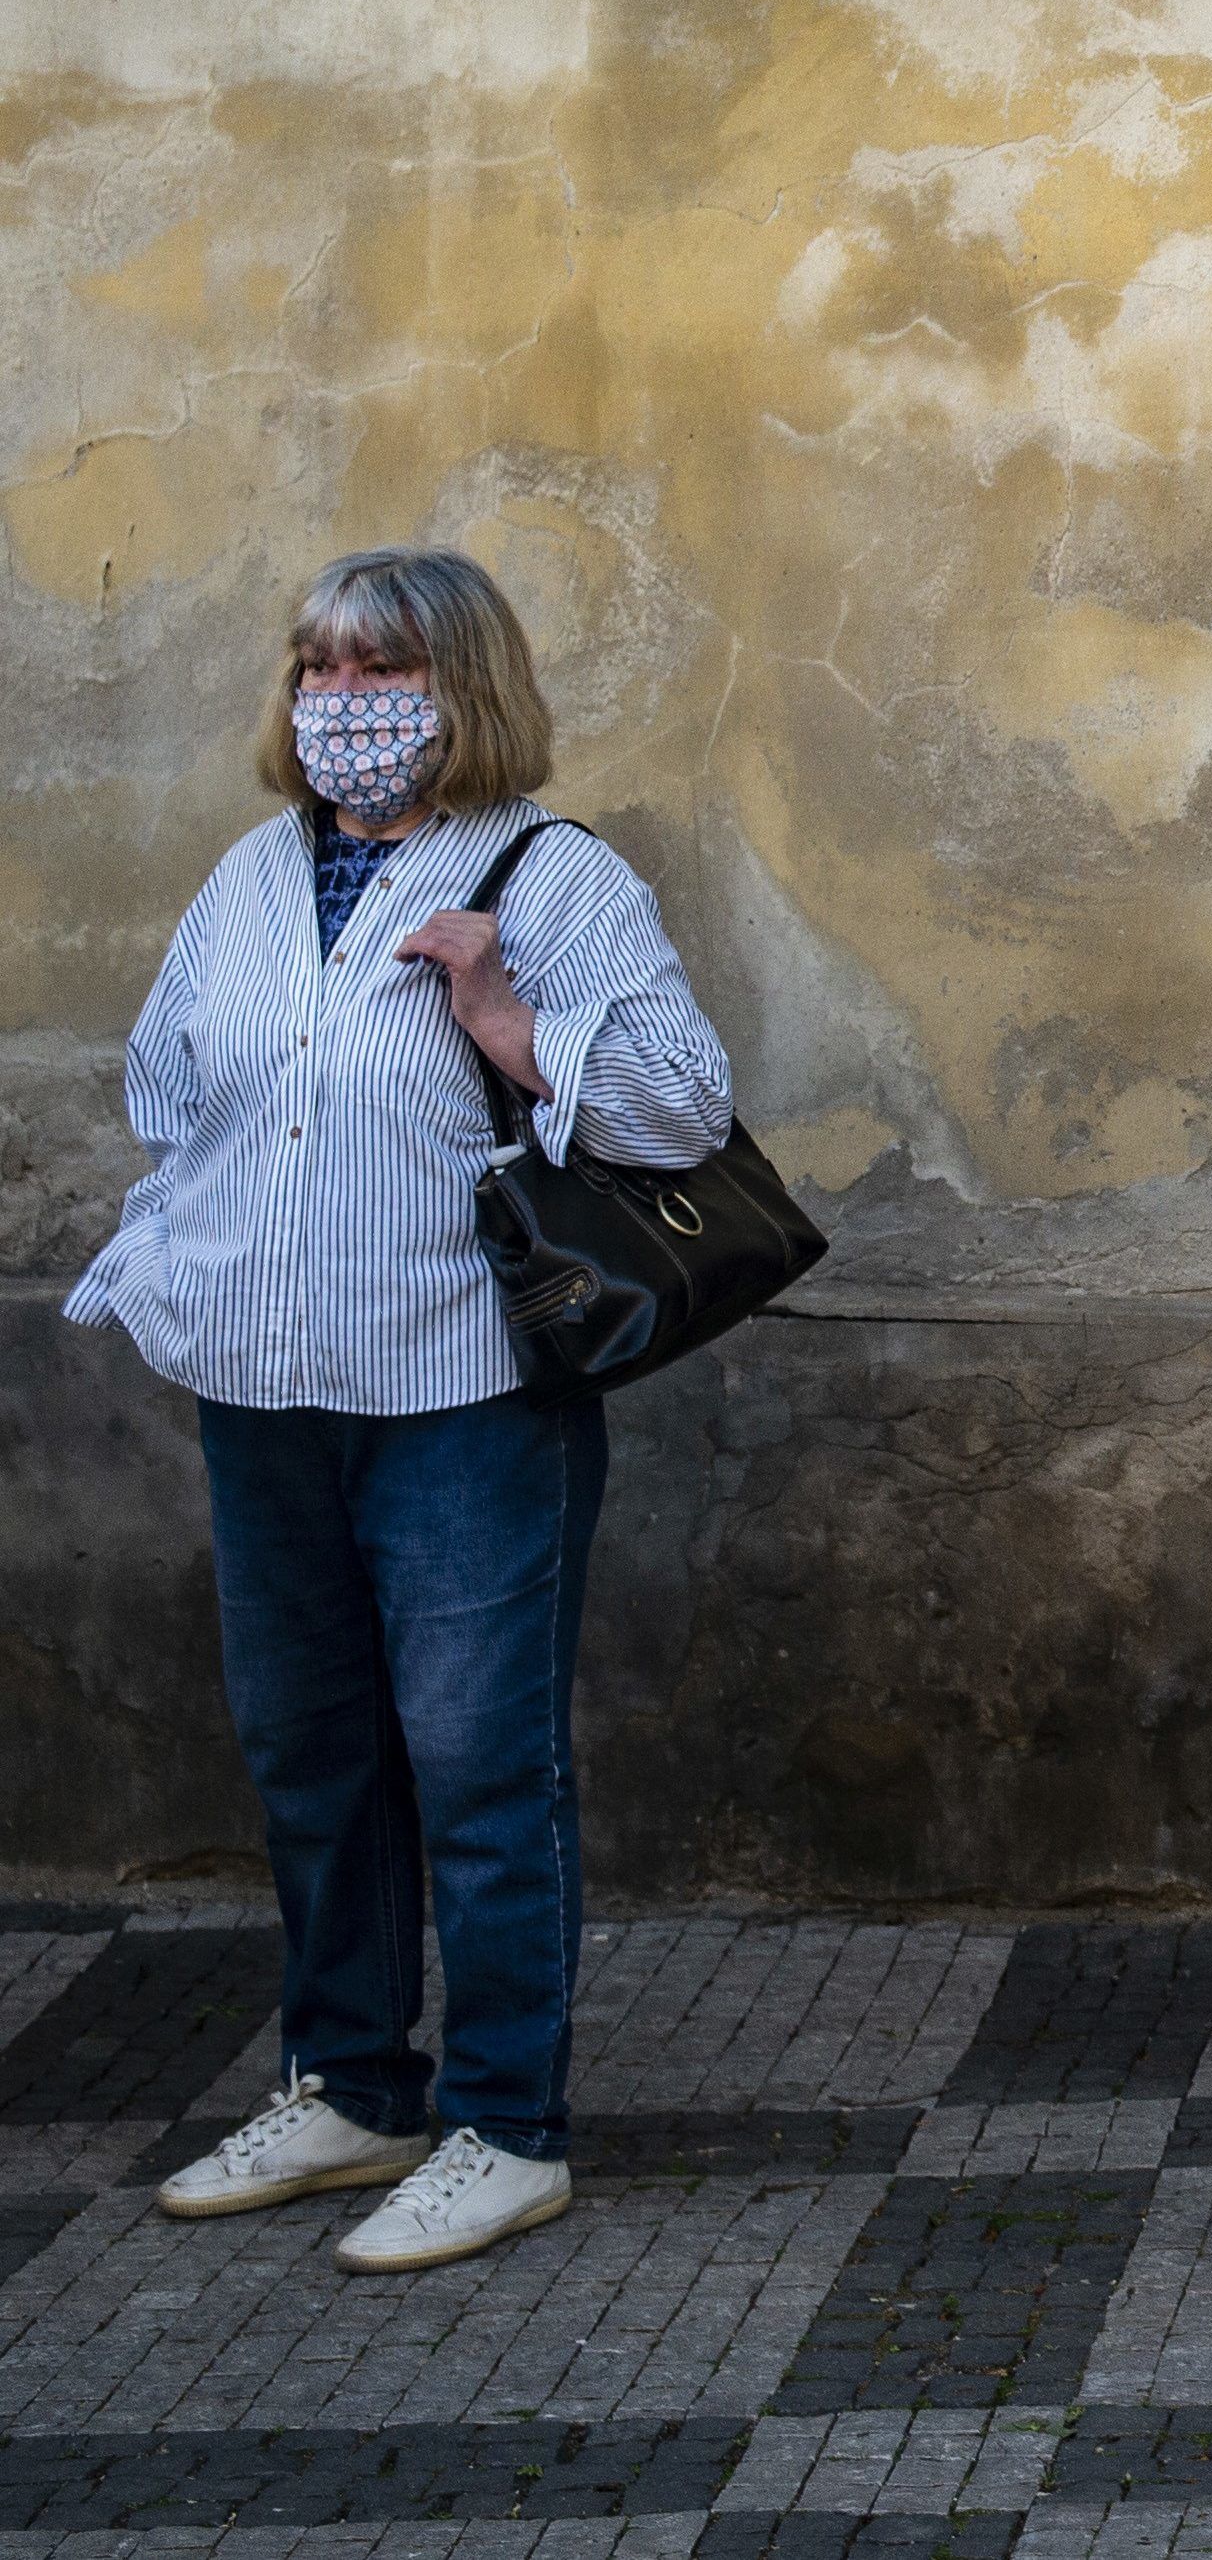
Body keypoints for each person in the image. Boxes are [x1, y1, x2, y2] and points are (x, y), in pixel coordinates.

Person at [68, 547, 738, 2274]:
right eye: (319, 665)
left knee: (478, 1766)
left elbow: (675, 1110)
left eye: (384, 666)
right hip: (265, 1387)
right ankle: (351, 2083)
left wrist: (500, 1013)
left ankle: (507, 2125)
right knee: (311, 1753)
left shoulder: (549, 872)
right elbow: (168, 1080)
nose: (343, 701)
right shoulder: (247, 871)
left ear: (465, 685)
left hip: (460, 1396)